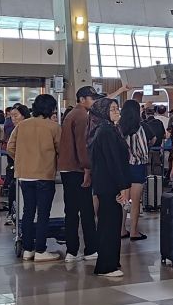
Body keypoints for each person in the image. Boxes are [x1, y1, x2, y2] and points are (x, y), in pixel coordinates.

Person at [7, 94, 61, 262]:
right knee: (43, 213)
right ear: (51, 109)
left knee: (28, 212)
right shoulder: (53, 127)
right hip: (44, 175)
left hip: (24, 175)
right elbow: (60, 150)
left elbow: (10, 147)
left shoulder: (22, 126)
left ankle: (28, 249)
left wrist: (21, 160)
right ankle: (40, 250)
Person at [87, 98, 131, 278]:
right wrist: (123, 185)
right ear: (103, 111)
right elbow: (113, 161)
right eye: (112, 109)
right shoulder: (106, 131)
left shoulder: (108, 129)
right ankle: (106, 265)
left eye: (116, 108)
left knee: (111, 221)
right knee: (109, 223)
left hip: (107, 183)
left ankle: (111, 260)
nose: (116, 111)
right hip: (109, 184)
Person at [58, 87, 98, 262]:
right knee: (87, 211)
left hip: (67, 168)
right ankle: (90, 249)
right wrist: (87, 169)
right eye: (91, 98)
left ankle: (71, 250)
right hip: (78, 169)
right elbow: (83, 146)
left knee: (71, 211)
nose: (94, 101)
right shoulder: (82, 117)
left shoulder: (71, 115)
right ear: (82, 99)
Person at [119, 99, 150, 241]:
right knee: (135, 202)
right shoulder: (138, 128)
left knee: (123, 201)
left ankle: (121, 230)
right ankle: (134, 231)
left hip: (122, 168)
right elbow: (143, 151)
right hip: (137, 167)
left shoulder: (118, 127)